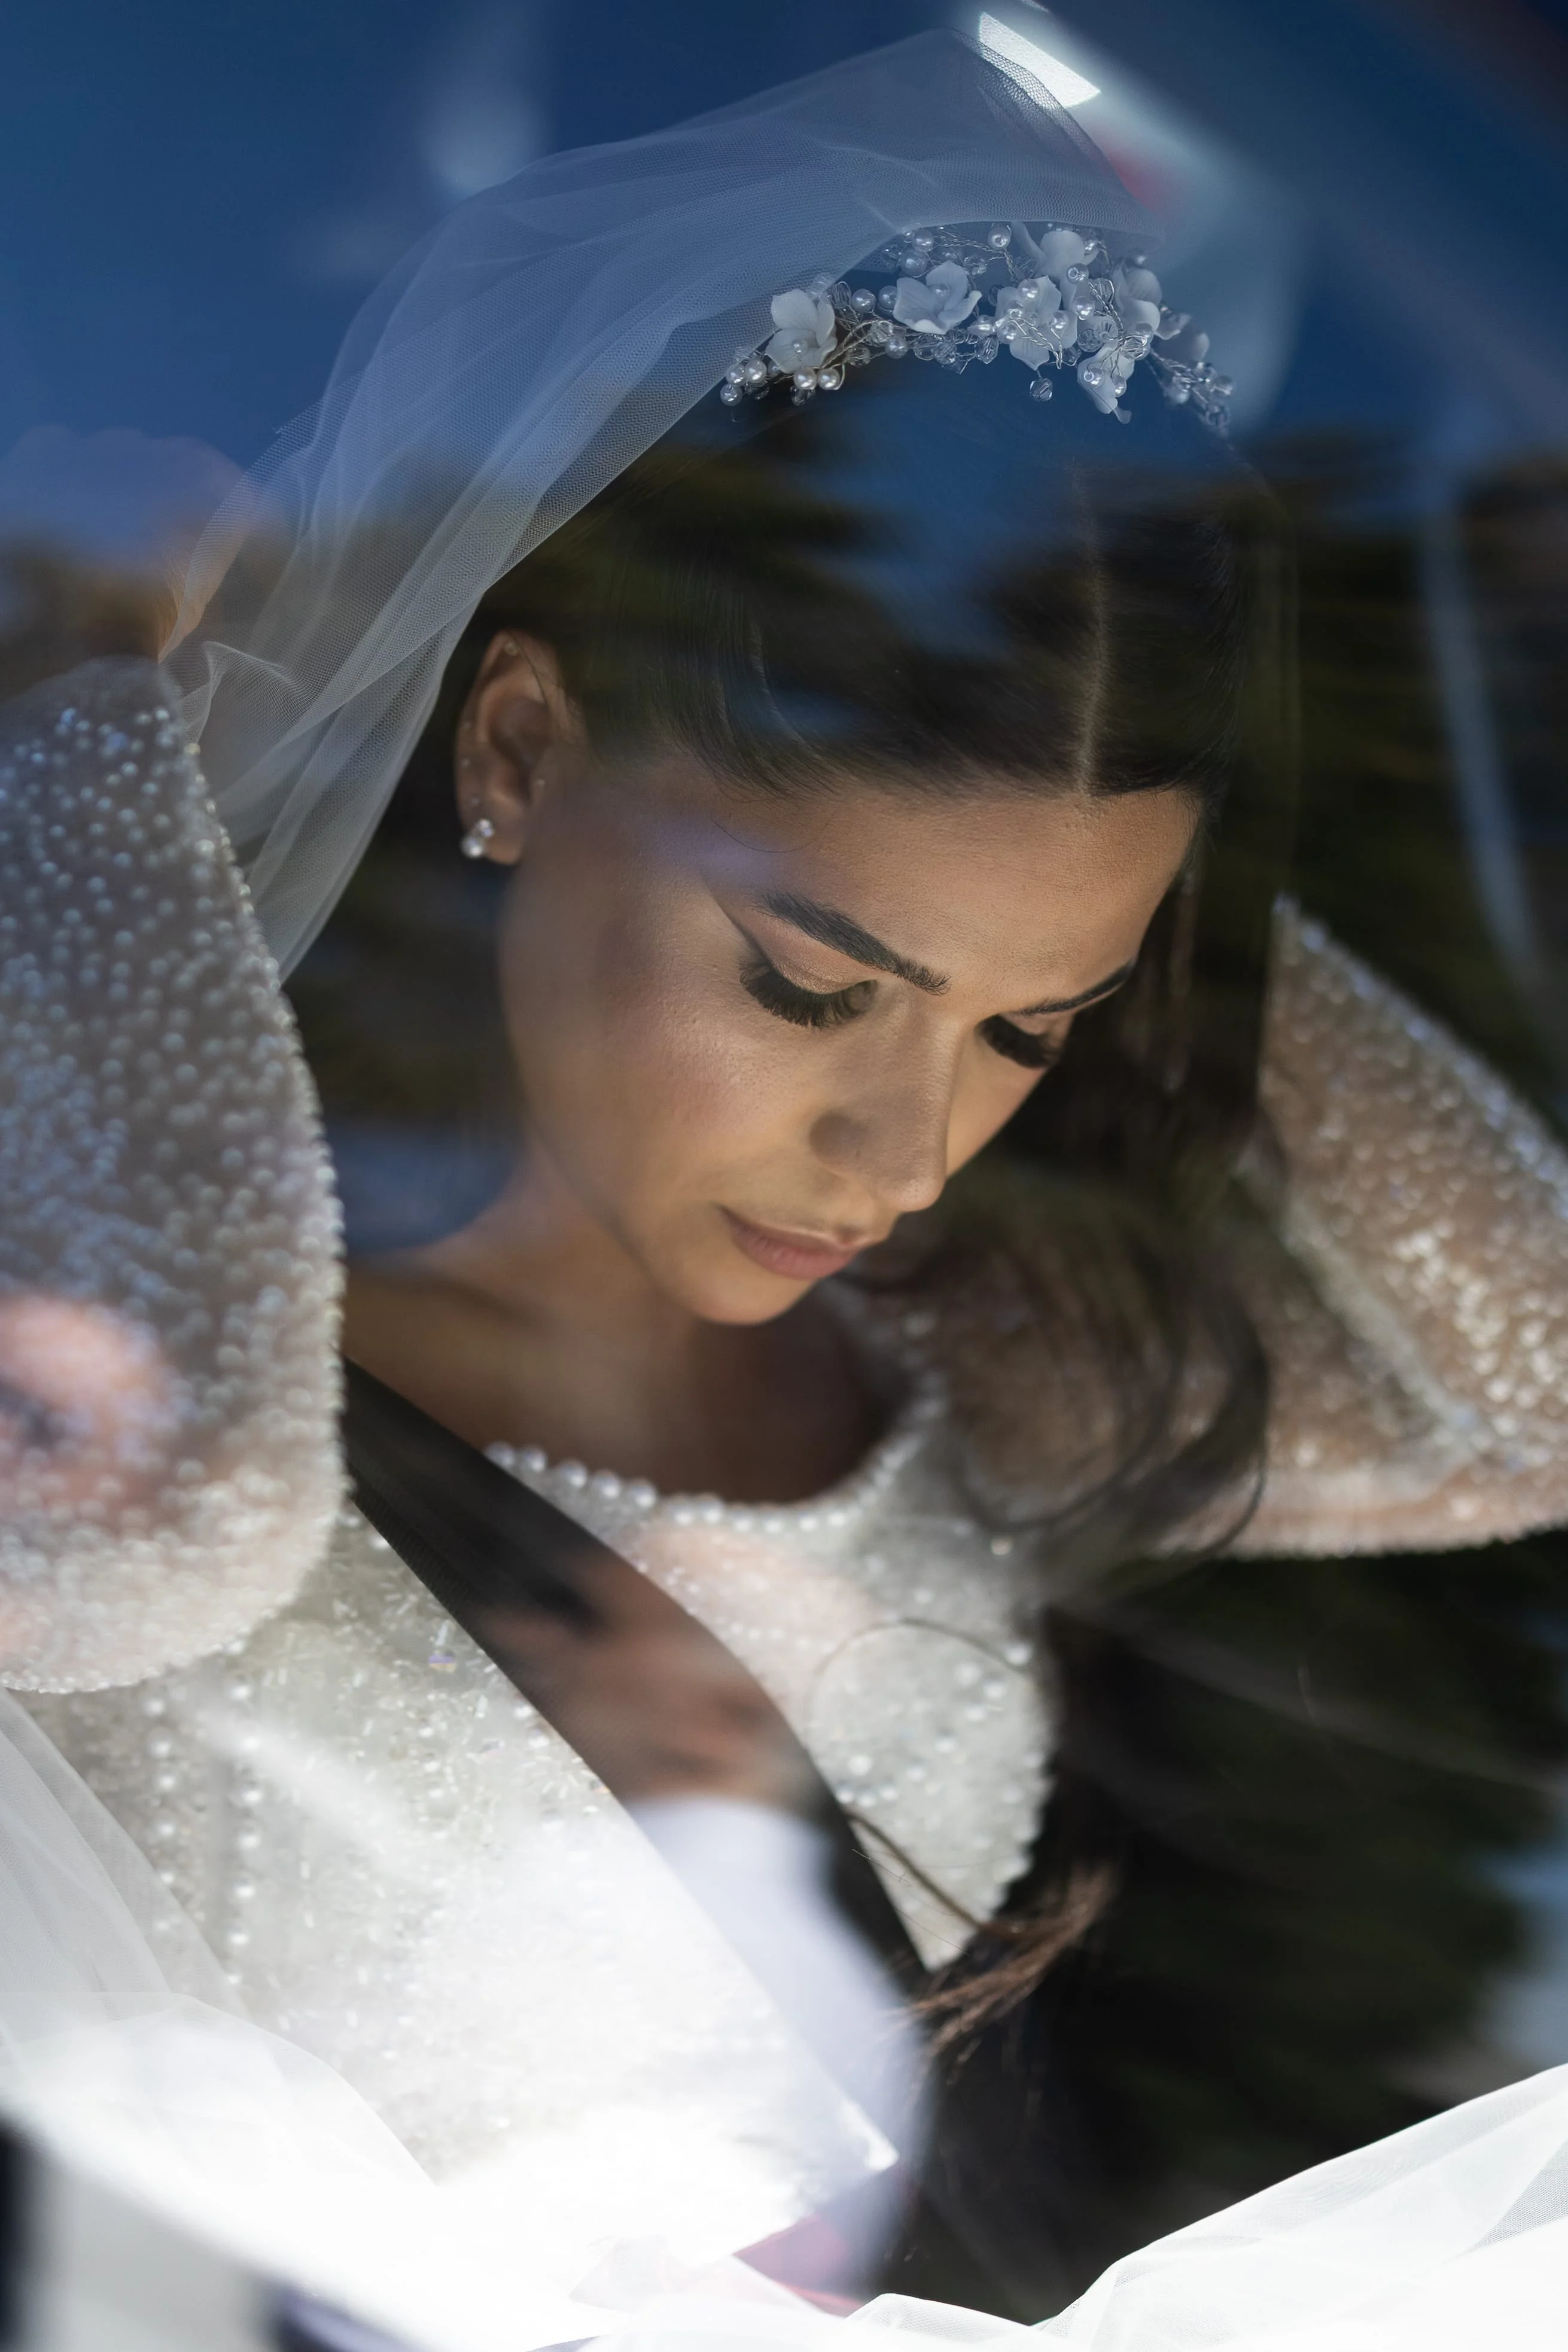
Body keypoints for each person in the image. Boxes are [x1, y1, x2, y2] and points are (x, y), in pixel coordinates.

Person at [2, 18, 1567, 2320]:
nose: (904, 1148)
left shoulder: (964, 1360)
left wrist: (1146, 862)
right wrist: (80, 717)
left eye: (1026, 1033)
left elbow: (1528, 1382)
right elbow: (164, 1520)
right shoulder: (101, 1321)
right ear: (517, 743)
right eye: (811, 985)